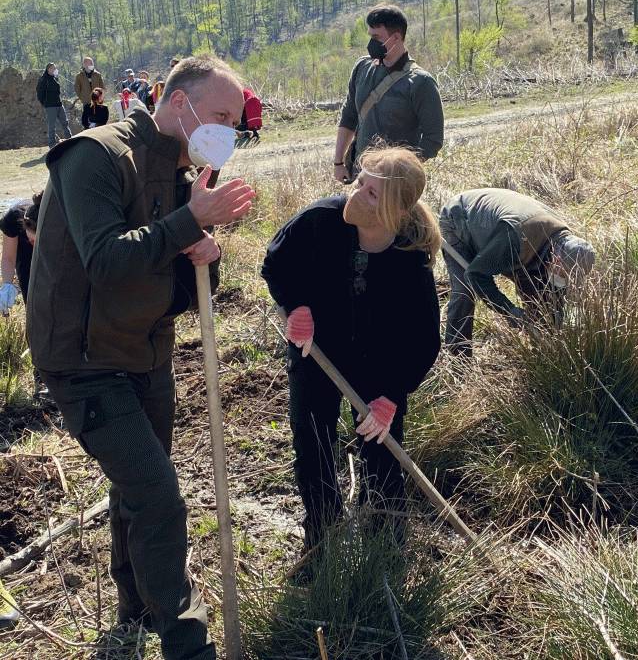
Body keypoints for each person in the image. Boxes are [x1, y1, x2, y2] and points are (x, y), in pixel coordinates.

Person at [27, 55, 256, 660]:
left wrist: (201, 247)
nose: (227, 132)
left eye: (234, 122)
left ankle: (134, 609)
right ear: (178, 103)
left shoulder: (181, 175)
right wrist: (187, 224)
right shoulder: (94, 156)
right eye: (220, 116)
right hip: (81, 358)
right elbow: (104, 259)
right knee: (157, 495)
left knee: (137, 488)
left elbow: (171, 273)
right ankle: (187, 644)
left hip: (145, 351)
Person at [261, 147, 441, 551]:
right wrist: (296, 306)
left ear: (393, 210)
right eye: (360, 182)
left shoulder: (410, 261)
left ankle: (384, 537)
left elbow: (424, 339)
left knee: (382, 453)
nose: (357, 194)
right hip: (316, 355)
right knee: (313, 443)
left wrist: (392, 395)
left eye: (372, 194)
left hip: (379, 366)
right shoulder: (320, 220)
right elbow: (277, 262)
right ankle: (321, 538)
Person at [440, 188, 596, 358]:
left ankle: (542, 354)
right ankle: (458, 359)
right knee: (465, 289)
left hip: (505, 234)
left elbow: (553, 293)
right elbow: (477, 274)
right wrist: (510, 311)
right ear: (556, 260)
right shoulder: (515, 238)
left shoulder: (563, 241)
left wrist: (552, 330)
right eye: (565, 273)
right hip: (460, 220)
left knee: (540, 288)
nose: (565, 278)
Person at [334, 4, 444, 183]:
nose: (371, 43)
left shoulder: (421, 82)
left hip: (395, 183)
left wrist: (402, 171)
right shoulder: (362, 68)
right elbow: (349, 117)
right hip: (360, 176)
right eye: (370, 36)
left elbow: (433, 139)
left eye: (376, 37)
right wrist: (338, 163)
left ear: (396, 38)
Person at [0, 193, 41, 315]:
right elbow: (8, 258)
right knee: (33, 313)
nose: (31, 243)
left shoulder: (58, 223)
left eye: (36, 241)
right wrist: (7, 284)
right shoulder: (13, 219)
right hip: (26, 268)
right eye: (31, 240)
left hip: (54, 269)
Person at [36, 63, 72, 147]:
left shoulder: (55, 78)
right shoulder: (43, 79)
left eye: (55, 68)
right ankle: (52, 144)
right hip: (50, 106)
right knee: (51, 126)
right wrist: (44, 103)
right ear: (48, 69)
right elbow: (39, 93)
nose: (54, 70)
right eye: (52, 68)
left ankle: (70, 139)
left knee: (65, 123)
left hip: (59, 104)